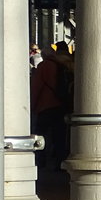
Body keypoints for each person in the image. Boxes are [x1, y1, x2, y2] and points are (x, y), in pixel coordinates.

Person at [30, 41, 74, 169]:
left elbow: (36, 87)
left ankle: (40, 162)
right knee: (59, 135)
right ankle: (60, 162)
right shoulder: (66, 63)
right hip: (61, 105)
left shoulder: (45, 66)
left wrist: (32, 106)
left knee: (40, 134)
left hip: (45, 106)